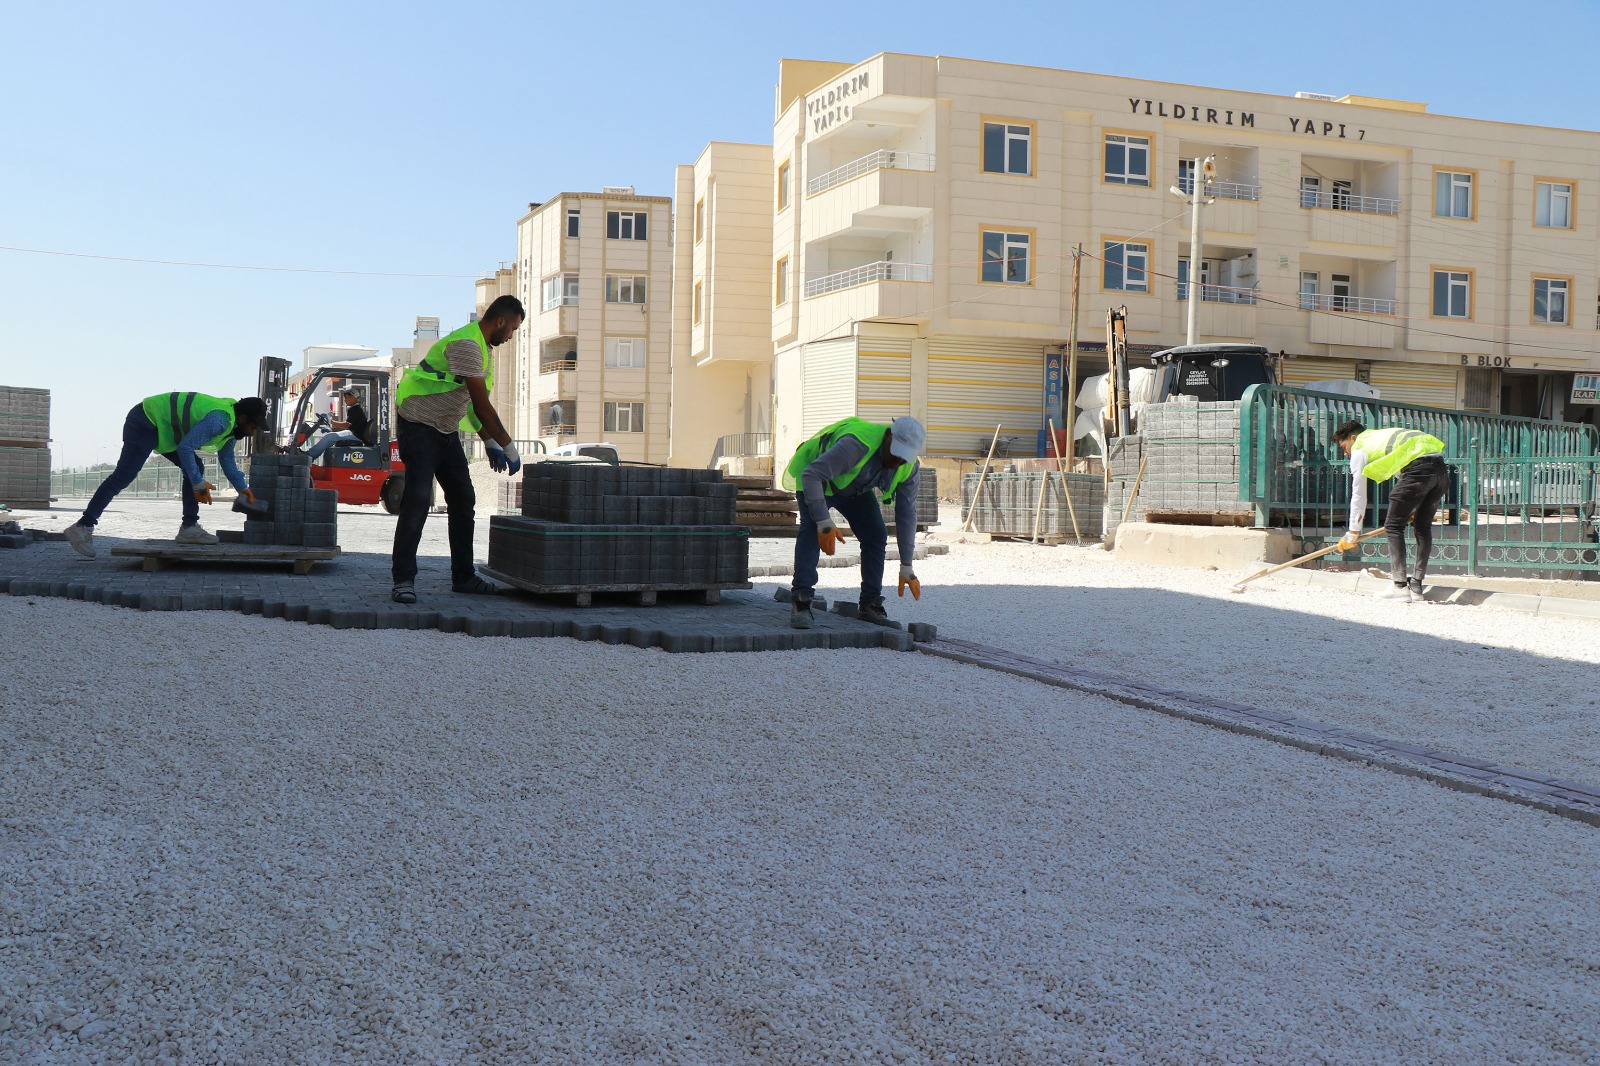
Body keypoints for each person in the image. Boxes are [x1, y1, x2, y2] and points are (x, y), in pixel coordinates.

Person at [389, 296, 524, 603]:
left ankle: (463, 577)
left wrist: (488, 440)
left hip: (444, 428)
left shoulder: (483, 348)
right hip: (418, 423)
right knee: (418, 498)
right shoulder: (468, 345)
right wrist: (507, 444)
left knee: (463, 498)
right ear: (501, 321)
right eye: (513, 328)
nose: (512, 336)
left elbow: (469, 402)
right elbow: (481, 403)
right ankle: (403, 580)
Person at [63, 394, 266, 558]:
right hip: (146, 420)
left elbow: (227, 460)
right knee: (123, 476)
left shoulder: (231, 429)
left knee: (195, 466)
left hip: (162, 429)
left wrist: (242, 488)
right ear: (243, 419)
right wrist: (198, 483)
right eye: (254, 426)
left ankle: (188, 528)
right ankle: (82, 526)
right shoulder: (220, 420)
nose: (253, 431)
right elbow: (186, 448)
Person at [782, 415, 927, 630]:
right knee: (813, 529)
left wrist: (907, 565)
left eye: (903, 458)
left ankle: (870, 604)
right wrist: (824, 522)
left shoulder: (909, 468)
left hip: (854, 487)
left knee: (876, 535)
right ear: (888, 435)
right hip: (816, 477)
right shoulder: (856, 445)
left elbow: (907, 514)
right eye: (895, 453)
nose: (896, 462)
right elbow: (812, 475)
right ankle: (801, 600)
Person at [1333, 418, 1450, 602]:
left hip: (1418, 471)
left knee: (1393, 526)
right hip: (1441, 471)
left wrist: (1353, 531)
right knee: (1422, 526)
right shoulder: (1382, 437)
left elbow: (1358, 493)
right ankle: (1416, 587)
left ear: (1353, 438)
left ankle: (1400, 587)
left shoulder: (1360, 448)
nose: (1346, 453)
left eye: (1344, 447)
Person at [303, 387, 371, 460]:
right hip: (354, 433)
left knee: (329, 438)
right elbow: (347, 427)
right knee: (330, 436)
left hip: (356, 435)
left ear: (355, 398)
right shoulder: (353, 409)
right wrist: (331, 429)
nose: (345, 400)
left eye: (347, 397)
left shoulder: (356, 409)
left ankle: (309, 456)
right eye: (345, 398)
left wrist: (331, 421)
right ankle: (311, 455)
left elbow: (346, 425)